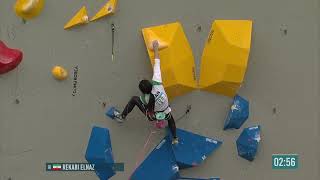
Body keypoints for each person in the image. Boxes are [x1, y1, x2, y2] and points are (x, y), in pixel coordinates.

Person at [115, 40, 179, 144]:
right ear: (151, 83)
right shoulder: (157, 82)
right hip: (166, 111)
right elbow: (157, 62)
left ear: (144, 92)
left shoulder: (145, 98)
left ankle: (122, 116)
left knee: (134, 99)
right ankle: (175, 138)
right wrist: (156, 47)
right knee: (171, 120)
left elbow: (147, 105)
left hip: (152, 116)